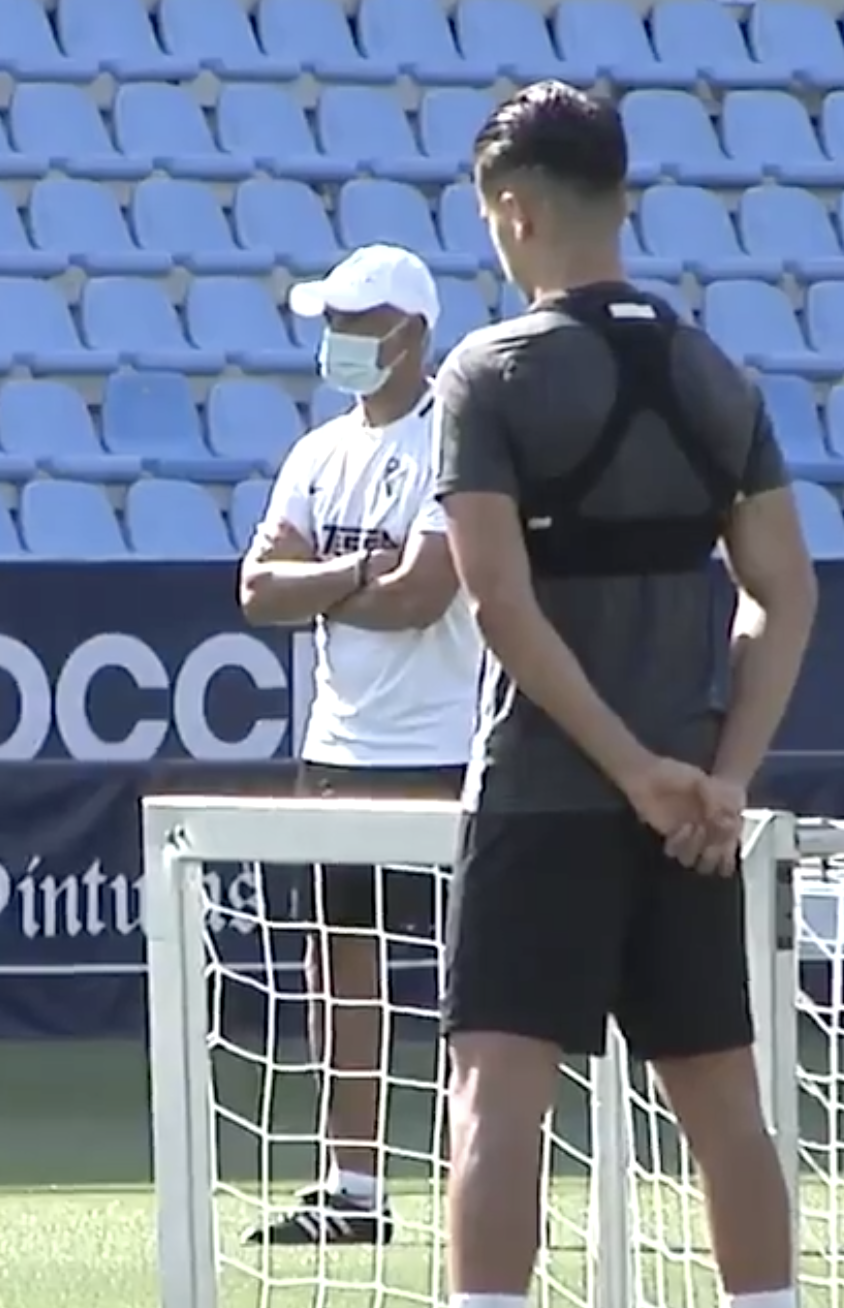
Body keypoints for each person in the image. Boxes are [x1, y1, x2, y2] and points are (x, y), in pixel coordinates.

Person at [432, 81, 813, 1308]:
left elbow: (499, 602)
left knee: (497, 1096)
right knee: (724, 1105)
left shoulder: (488, 373)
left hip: (548, 790)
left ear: (513, 210)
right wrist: (720, 776)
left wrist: (627, 769)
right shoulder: (716, 374)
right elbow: (786, 593)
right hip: (693, 812)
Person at [238, 244, 480, 1245]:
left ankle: (486, 1185)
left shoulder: (452, 445)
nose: (335, 341)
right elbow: (258, 592)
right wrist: (355, 575)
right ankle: (353, 1188)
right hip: (340, 748)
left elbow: (426, 596)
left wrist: (324, 581)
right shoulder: (317, 451)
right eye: (330, 323)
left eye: (352, 322)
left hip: (446, 747)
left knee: (479, 979)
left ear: (410, 333)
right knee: (341, 974)